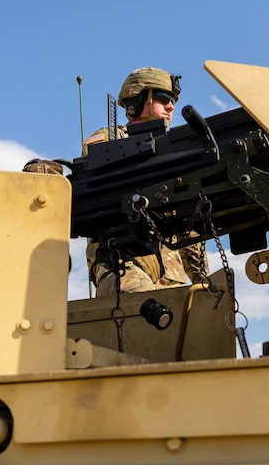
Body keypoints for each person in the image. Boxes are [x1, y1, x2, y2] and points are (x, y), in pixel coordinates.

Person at [83, 67, 208, 297]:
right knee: (146, 305)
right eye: (164, 99)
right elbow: (91, 169)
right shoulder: (111, 141)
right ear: (138, 100)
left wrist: (204, 283)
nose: (171, 107)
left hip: (171, 277)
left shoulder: (176, 154)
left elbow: (189, 228)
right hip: (122, 265)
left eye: (173, 101)